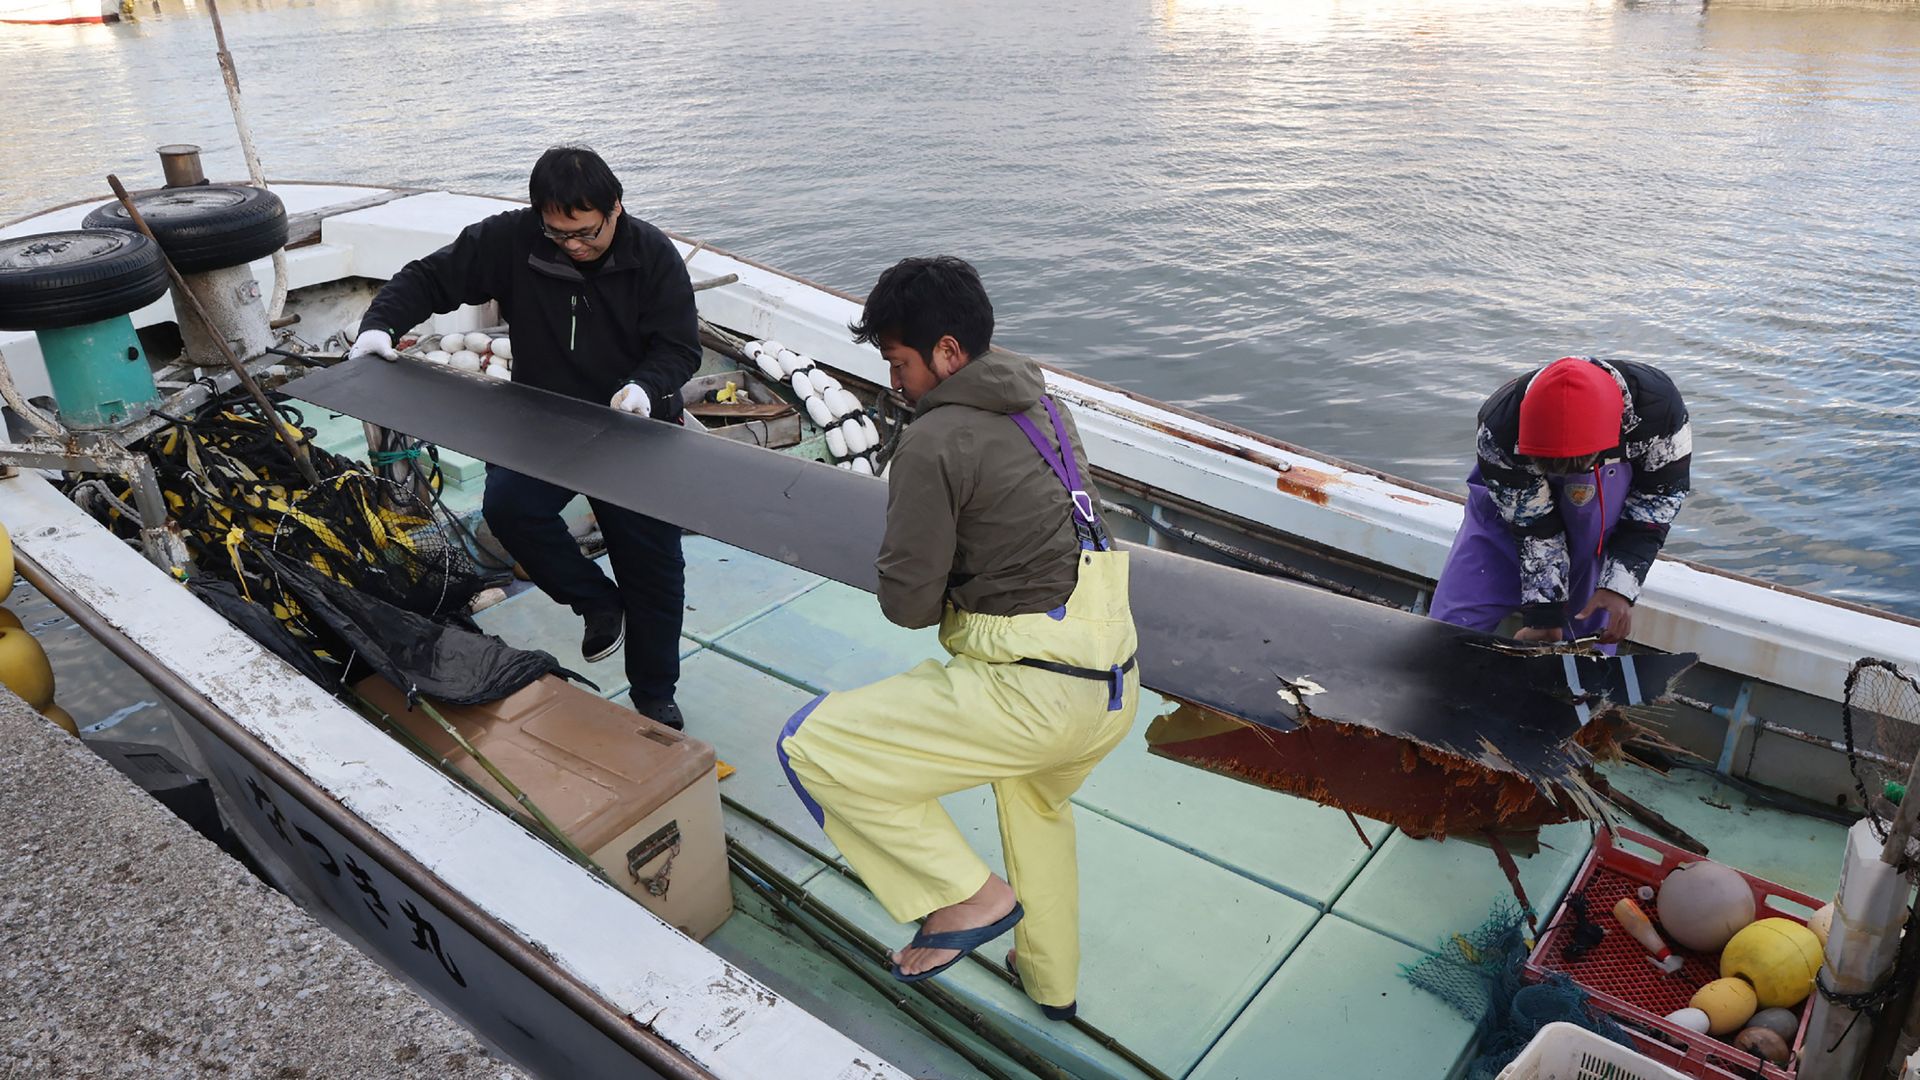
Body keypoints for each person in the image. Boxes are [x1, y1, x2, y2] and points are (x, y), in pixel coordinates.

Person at [775, 257, 1138, 1020]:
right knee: (1033, 801)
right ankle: (1052, 982)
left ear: (946, 353)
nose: (896, 383)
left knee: (813, 746)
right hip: (1111, 684)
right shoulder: (1047, 410)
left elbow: (906, 605)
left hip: (1032, 691)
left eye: (900, 364)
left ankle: (967, 899)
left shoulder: (934, 442)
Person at [348, 146, 700, 728]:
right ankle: (594, 600)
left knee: (654, 569)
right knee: (510, 510)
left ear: (616, 209)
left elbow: (680, 347)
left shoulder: (652, 255)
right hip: (546, 419)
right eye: (558, 234)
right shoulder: (512, 240)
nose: (574, 246)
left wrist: (646, 386)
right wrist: (380, 325)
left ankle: (654, 693)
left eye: (585, 233)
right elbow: (430, 277)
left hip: (635, 424)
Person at [1429, 355, 1692, 647]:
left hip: (1598, 507)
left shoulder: (1660, 408)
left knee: (1587, 633)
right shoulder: (1499, 427)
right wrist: (1545, 616)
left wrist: (1619, 585)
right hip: (1510, 508)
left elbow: (1656, 502)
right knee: (1448, 629)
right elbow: (1533, 525)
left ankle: (1580, 682)